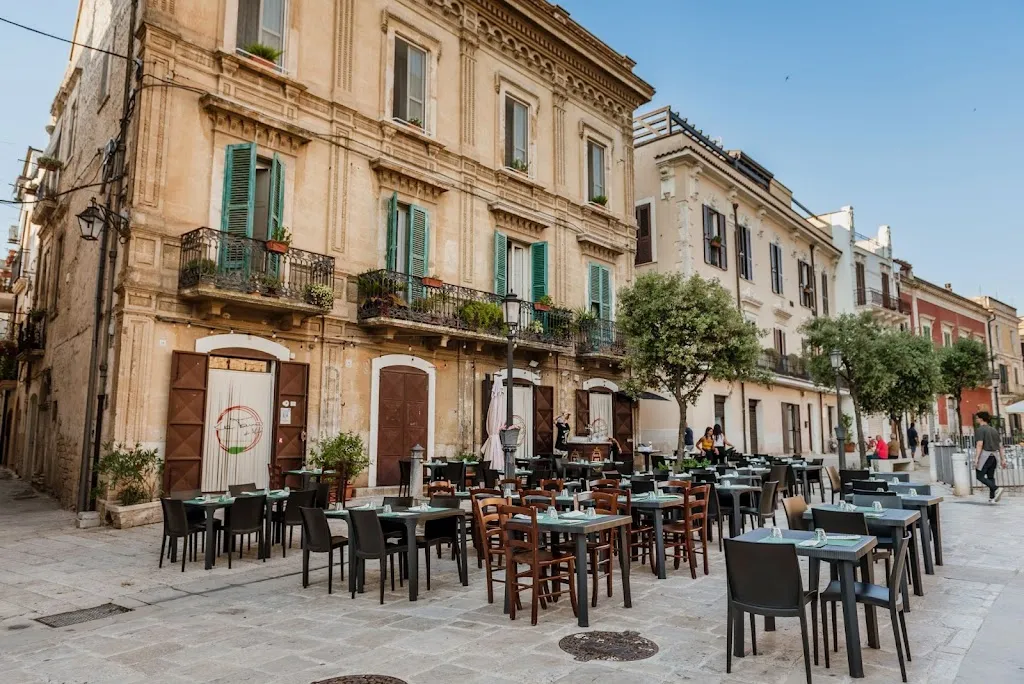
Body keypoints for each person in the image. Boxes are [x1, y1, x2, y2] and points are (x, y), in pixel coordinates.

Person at [974, 411, 1006, 502]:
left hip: (985, 456)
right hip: (994, 456)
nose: (976, 420)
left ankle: (996, 489)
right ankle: (992, 498)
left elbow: (979, 444)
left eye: (977, 418)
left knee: (979, 476)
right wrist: (1003, 459)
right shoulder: (994, 430)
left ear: (981, 419)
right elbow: (1000, 445)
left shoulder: (980, 430)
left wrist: (976, 458)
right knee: (990, 477)